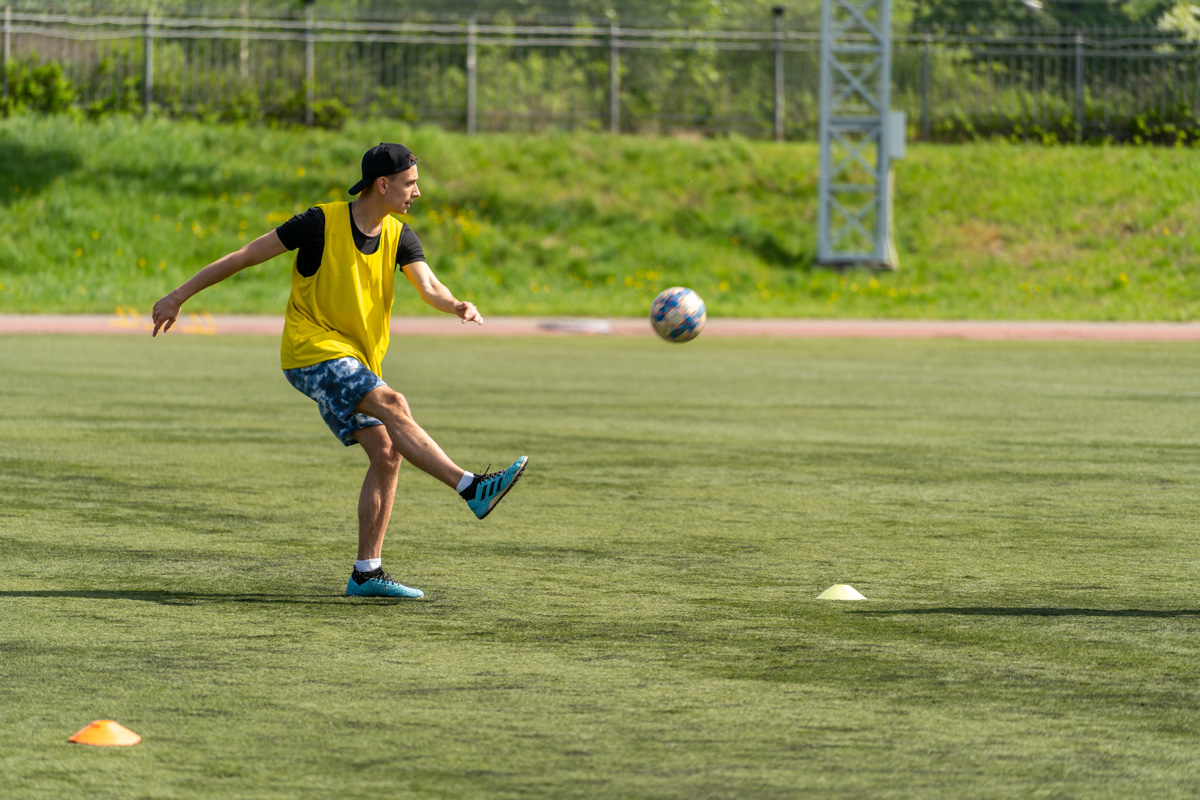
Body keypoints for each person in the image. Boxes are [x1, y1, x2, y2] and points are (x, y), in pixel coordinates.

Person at [151, 142, 528, 600]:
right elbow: (246, 255)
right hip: (310, 351)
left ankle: (366, 573)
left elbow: (428, 285)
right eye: (411, 183)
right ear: (383, 184)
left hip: (356, 359)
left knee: (388, 453)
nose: (418, 192)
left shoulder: (399, 236)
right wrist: (178, 295)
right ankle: (471, 487)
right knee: (393, 403)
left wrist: (456, 305)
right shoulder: (319, 222)